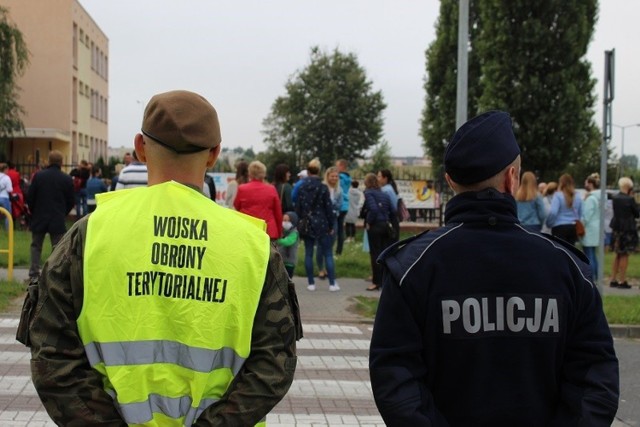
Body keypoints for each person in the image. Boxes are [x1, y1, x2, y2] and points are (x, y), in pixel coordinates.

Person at [22, 90, 300, 425]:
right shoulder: (253, 246)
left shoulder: (89, 234)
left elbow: (52, 354)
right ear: (213, 155)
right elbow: (274, 363)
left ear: (140, 147)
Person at [369, 110, 619, 426]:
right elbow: (596, 379)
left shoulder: (413, 267)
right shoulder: (566, 266)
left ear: (449, 181)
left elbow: (395, 379)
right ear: (512, 178)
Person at [25, 151, 75, 281]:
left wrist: (33, 211)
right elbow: (71, 200)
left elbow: (30, 196)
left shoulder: (39, 176)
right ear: (61, 162)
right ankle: (54, 274)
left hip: (39, 216)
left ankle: (34, 273)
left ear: (48, 161)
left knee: (36, 246)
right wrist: (63, 212)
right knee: (58, 248)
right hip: (57, 217)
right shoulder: (66, 179)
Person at [295, 158, 339, 292]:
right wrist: (331, 225)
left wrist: (300, 221)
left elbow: (298, 207)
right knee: (328, 254)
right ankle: (332, 284)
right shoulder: (323, 187)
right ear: (319, 171)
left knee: (308, 253)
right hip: (323, 223)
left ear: (307, 171)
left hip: (307, 223)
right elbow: (328, 208)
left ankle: (311, 283)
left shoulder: (301, 187)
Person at [360, 173, 393, 292]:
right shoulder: (383, 194)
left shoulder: (368, 192)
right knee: (383, 253)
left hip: (375, 226)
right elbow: (391, 209)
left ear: (367, 182)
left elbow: (373, 209)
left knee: (375, 254)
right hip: (385, 225)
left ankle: (375, 282)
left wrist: (368, 221)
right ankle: (384, 280)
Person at [234, 160, 283, 240]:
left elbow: (236, 206)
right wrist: (279, 231)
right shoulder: (271, 189)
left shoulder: (242, 189)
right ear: (263, 174)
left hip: (248, 229)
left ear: (250, 173)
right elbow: (278, 213)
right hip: (268, 230)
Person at [609, 177, 639, 289]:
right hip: (627, 229)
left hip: (617, 228)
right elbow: (637, 213)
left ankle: (613, 279)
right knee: (624, 254)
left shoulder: (615, 198)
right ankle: (622, 280)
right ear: (629, 187)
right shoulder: (630, 199)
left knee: (617, 253)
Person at [316, 166, 342, 279]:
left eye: (336, 176)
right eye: (332, 176)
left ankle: (327, 268)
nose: (334, 178)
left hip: (333, 219)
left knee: (330, 244)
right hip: (322, 220)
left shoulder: (339, 190)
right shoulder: (322, 188)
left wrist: (331, 208)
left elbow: (339, 205)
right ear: (327, 176)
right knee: (320, 246)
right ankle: (320, 269)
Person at [546, 173, 582, 245]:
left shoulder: (558, 195)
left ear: (561, 183)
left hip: (559, 226)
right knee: (571, 251)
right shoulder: (577, 196)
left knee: (560, 251)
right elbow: (580, 213)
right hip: (572, 226)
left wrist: (549, 223)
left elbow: (553, 212)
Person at [581, 172, 602, 282]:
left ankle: (592, 278)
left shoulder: (590, 199)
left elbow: (586, 215)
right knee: (593, 254)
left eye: (586, 182)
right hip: (596, 227)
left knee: (589, 254)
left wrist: (580, 226)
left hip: (589, 228)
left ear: (590, 184)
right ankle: (597, 276)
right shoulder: (600, 196)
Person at [377, 169, 399, 242]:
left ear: (385, 178)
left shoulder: (386, 190)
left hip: (389, 219)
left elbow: (393, 207)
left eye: (379, 176)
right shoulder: (389, 188)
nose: (377, 178)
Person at [276, 211, 300, 278]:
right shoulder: (282, 232)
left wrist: (277, 240)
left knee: (287, 280)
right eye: (283, 220)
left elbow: (288, 242)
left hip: (289, 263)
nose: (284, 222)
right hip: (281, 261)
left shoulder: (294, 233)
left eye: (287, 220)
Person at [335, 159, 351, 255]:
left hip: (339, 204)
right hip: (345, 205)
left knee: (335, 227)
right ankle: (339, 250)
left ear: (342, 166)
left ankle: (336, 249)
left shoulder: (340, 178)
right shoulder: (348, 178)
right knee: (341, 228)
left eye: (337, 166)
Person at [0, 163, 13, 229]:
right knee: (8, 214)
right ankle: (7, 229)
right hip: (4, 198)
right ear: (5, 169)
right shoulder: (7, 178)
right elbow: (9, 190)